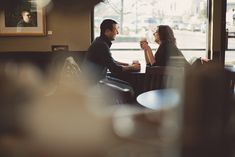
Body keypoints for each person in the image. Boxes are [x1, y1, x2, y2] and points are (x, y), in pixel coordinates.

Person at [82, 19, 140, 85]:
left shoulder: (100, 41)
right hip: (94, 83)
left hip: (99, 79)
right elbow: (114, 69)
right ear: (107, 31)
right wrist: (133, 67)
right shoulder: (101, 45)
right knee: (128, 89)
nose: (117, 32)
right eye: (115, 30)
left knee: (127, 85)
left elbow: (112, 61)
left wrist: (129, 65)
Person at [140, 25, 209, 67]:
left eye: (156, 32)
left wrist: (148, 48)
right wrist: (145, 49)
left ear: (162, 34)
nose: (153, 34)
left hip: (183, 79)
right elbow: (149, 64)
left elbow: (154, 66)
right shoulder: (165, 46)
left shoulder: (166, 46)